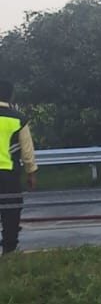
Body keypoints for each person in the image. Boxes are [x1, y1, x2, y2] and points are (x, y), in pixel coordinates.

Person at [0, 80, 37, 254]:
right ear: (11, 95)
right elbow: (27, 151)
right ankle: (9, 249)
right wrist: (31, 173)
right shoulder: (18, 119)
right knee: (11, 210)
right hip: (8, 174)